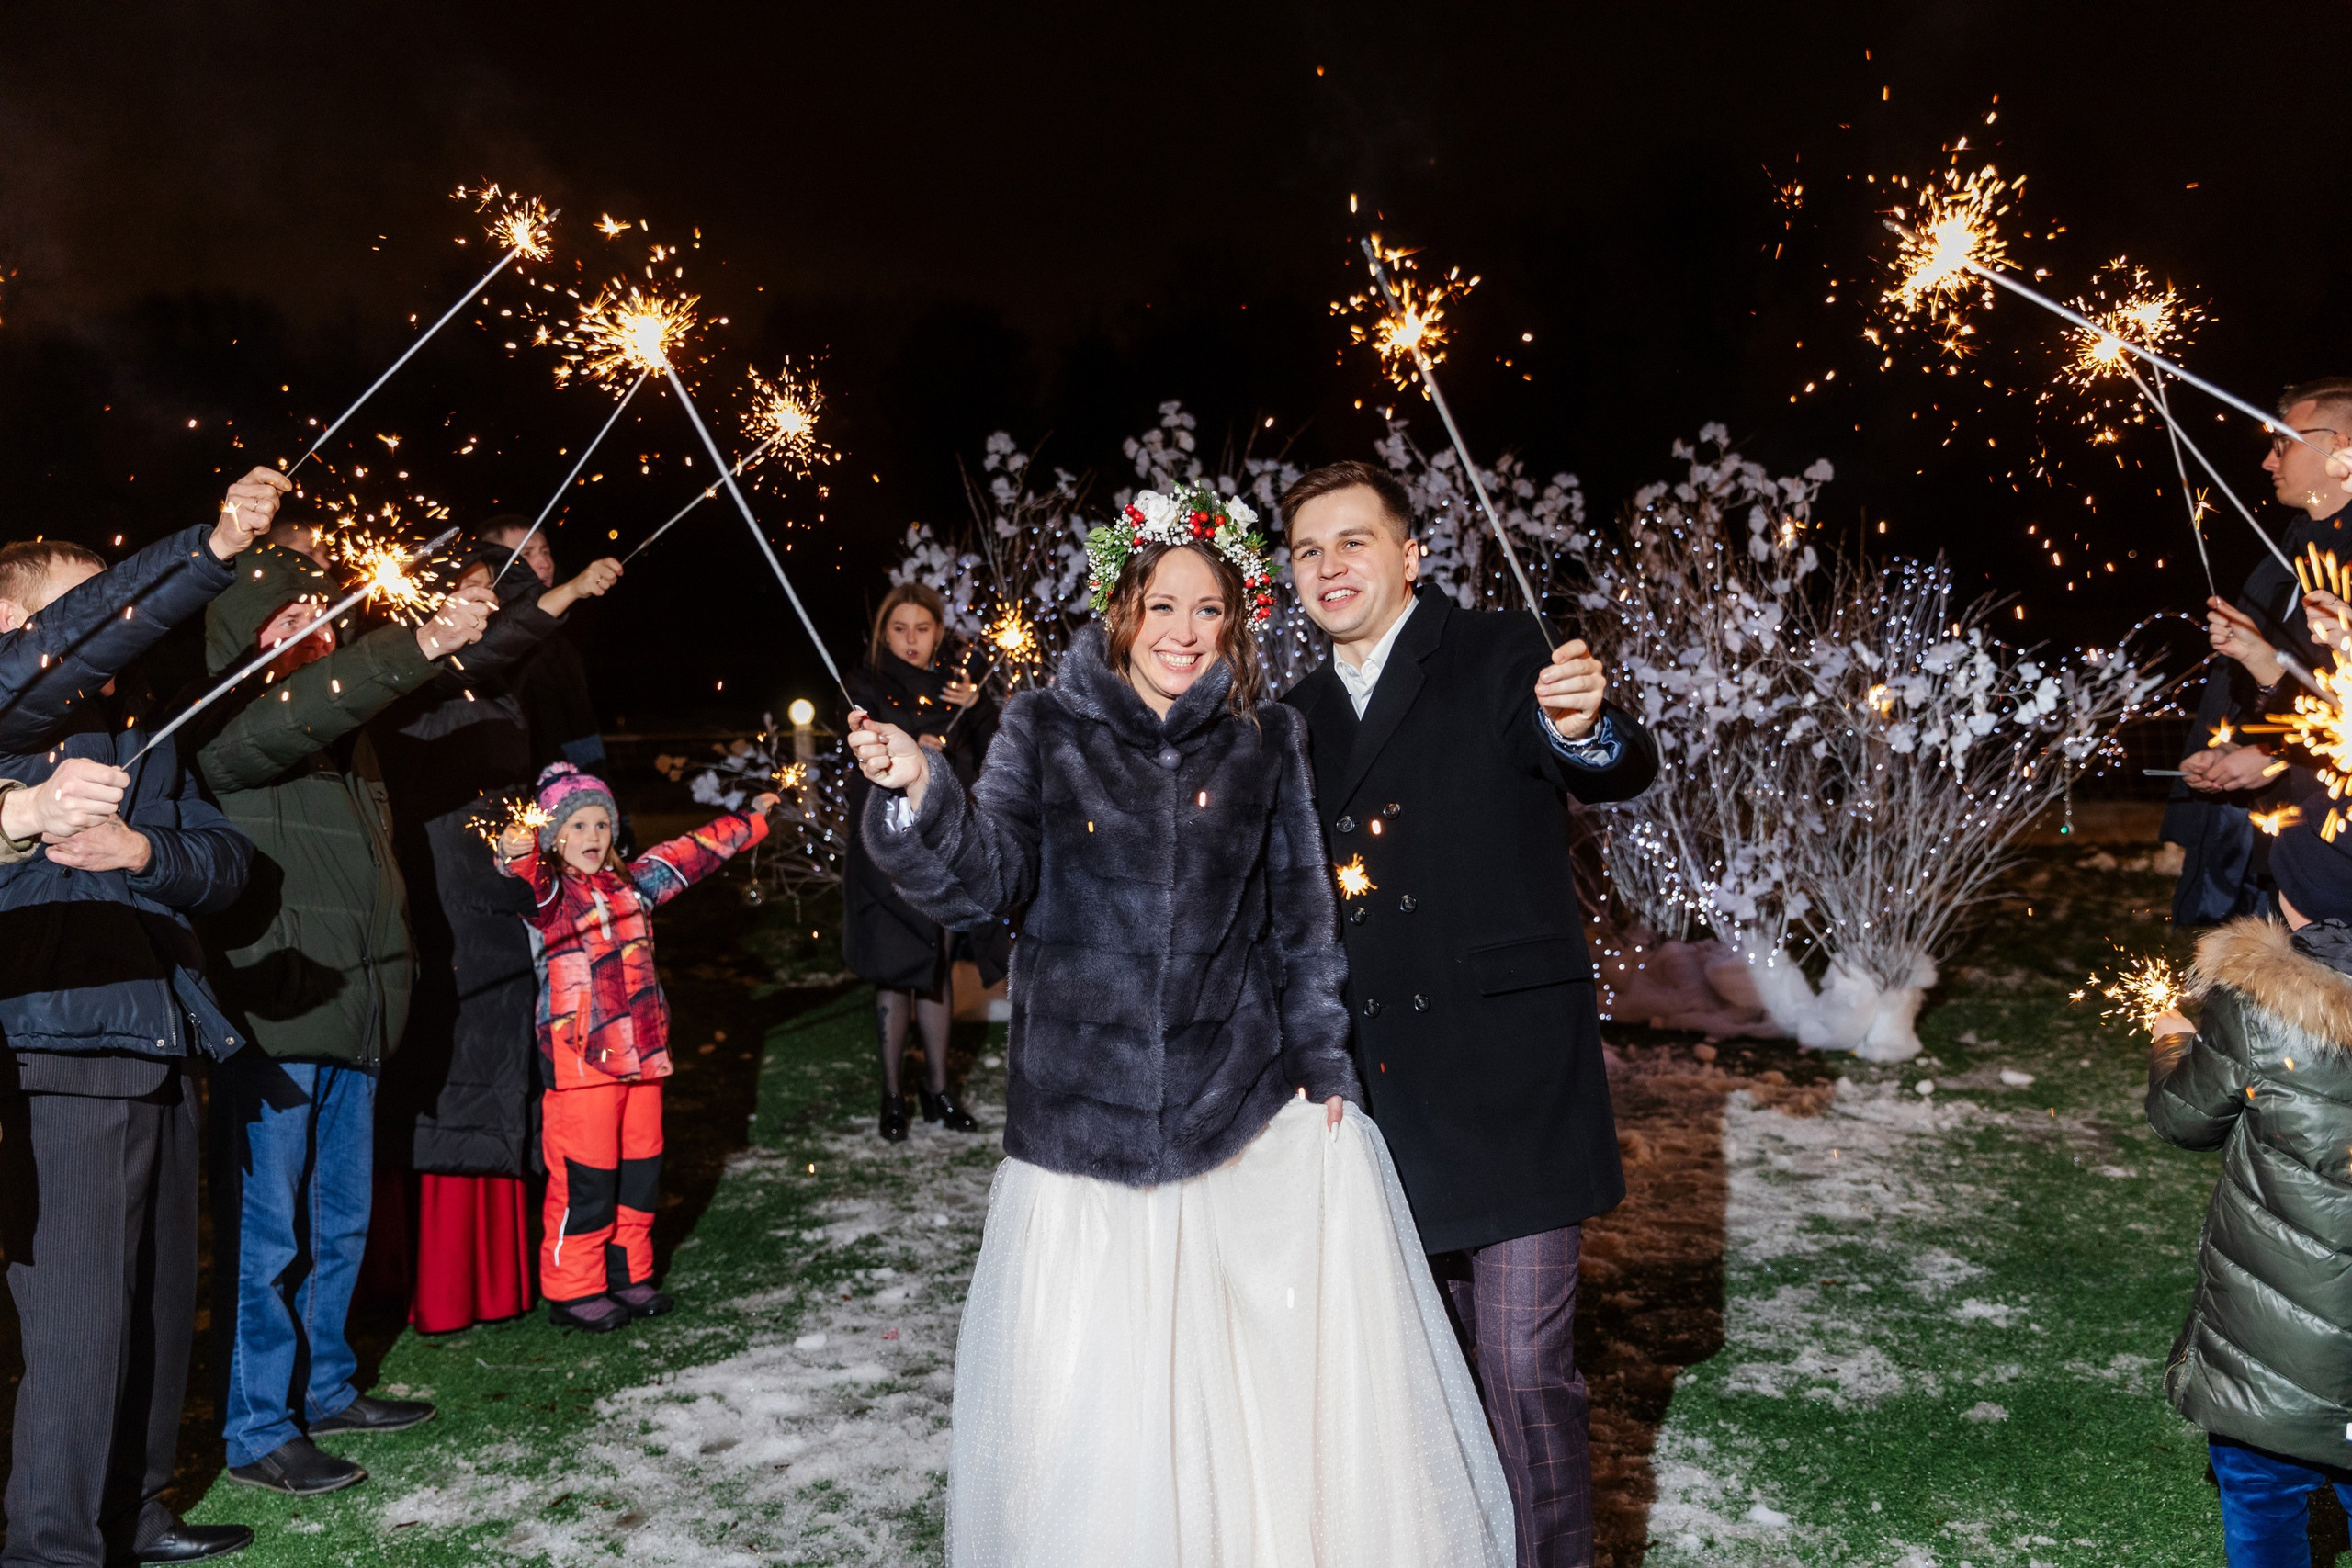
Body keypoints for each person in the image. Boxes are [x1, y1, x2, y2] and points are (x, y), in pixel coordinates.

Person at [848, 485, 1514, 1567]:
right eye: (1163, 607)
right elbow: (984, 882)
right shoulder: (1043, 729)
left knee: (1261, 1398)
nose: (1184, 633)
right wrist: (922, 787)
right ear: (1123, 610)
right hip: (1081, 1142)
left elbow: (1301, 925)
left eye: (1209, 612)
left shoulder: (1266, 741)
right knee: (1099, 1419)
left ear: (1236, 620)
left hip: (1236, 1115)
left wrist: (1323, 1066)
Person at [1277, 460, 1658, 1568]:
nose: (1330, 566)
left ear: (1411, 554)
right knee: (1427, 1377)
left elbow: (1606, 760)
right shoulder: (1292, 719)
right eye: (1307, 550)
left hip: (1511, 1082)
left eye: (1354, 541)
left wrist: (1588, 726)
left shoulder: (1501, 655)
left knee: (1524, 1368)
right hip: (1383, 1095)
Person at [0, 474, 285, 1568]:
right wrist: (203, 548)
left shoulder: (138, 731)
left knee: (164, 1299)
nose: (116, 627)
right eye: (94, 605)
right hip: (60, 1042)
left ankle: (138, 1510)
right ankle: (51, 1547)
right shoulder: (13, 710)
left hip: (163, 1029)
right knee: (78, 1326)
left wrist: (146, 855)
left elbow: (227, 858)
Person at [194, 544, 492, 1497]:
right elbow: (317, 699)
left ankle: (323, 1388)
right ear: (247, 636)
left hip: (357, 1018)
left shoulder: (345, 738)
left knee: (341, 1225)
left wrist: (485, 617)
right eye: (292, 618)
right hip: (278, 1024)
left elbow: (344, 700)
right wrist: (425, 638)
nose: (317, 630)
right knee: (267, 1240)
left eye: (324, 614)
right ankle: (254, 1429)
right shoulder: (235, 724)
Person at [374, 539, 625, 1334]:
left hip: (500, 902)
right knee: (449, 1082)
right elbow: (492, 644)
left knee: (499, 1075)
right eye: (473, 594)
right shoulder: (423, 671)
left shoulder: (507, 687)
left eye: (495, 596)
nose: (484, 611)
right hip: (448, 910)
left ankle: (502, 1276)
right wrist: (573, 586)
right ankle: (437, 1285)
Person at [494, 761, 773, 1332]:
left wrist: (752, 821)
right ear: (555, 838)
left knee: (640, 1173)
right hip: (581, 1067)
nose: (592, 838)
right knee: (587, 1180)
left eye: (601, 825)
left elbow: (690, 853)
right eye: (578, 827)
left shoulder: (633, 885)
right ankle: (576, 1288)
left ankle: (629, 1274)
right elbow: (524, 878)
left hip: (643, 1056)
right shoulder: (553, 899)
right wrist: (516, 852)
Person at [2143, 813, 2352, 1565]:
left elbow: (2183, 1116)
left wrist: (2174, 1039)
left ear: (2300, 905)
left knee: (2264, 1502)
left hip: (2273, 1353)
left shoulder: (2263, 1006)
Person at [2167, 378, 2352, 925]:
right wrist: (2236, 746)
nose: (2269, 461)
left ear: (2339, 445)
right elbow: (2276, 687)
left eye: (2283, 442)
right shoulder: (2284, 558)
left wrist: (2271, 756)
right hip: (2293, 836)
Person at [842, 581, 1004, 1140]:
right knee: (896, 969)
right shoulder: (865, 685)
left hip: (941, 846)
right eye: (899, 628)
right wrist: (915, 746)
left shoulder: (957, 686)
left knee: (935, 966)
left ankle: (938, 1089)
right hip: (887, 848)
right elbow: (864, 752)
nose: (911, 641)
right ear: (883, 631)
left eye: (923, 628)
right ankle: (893, 1097)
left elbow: (996, 756)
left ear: (939, 632)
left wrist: (979, 707)